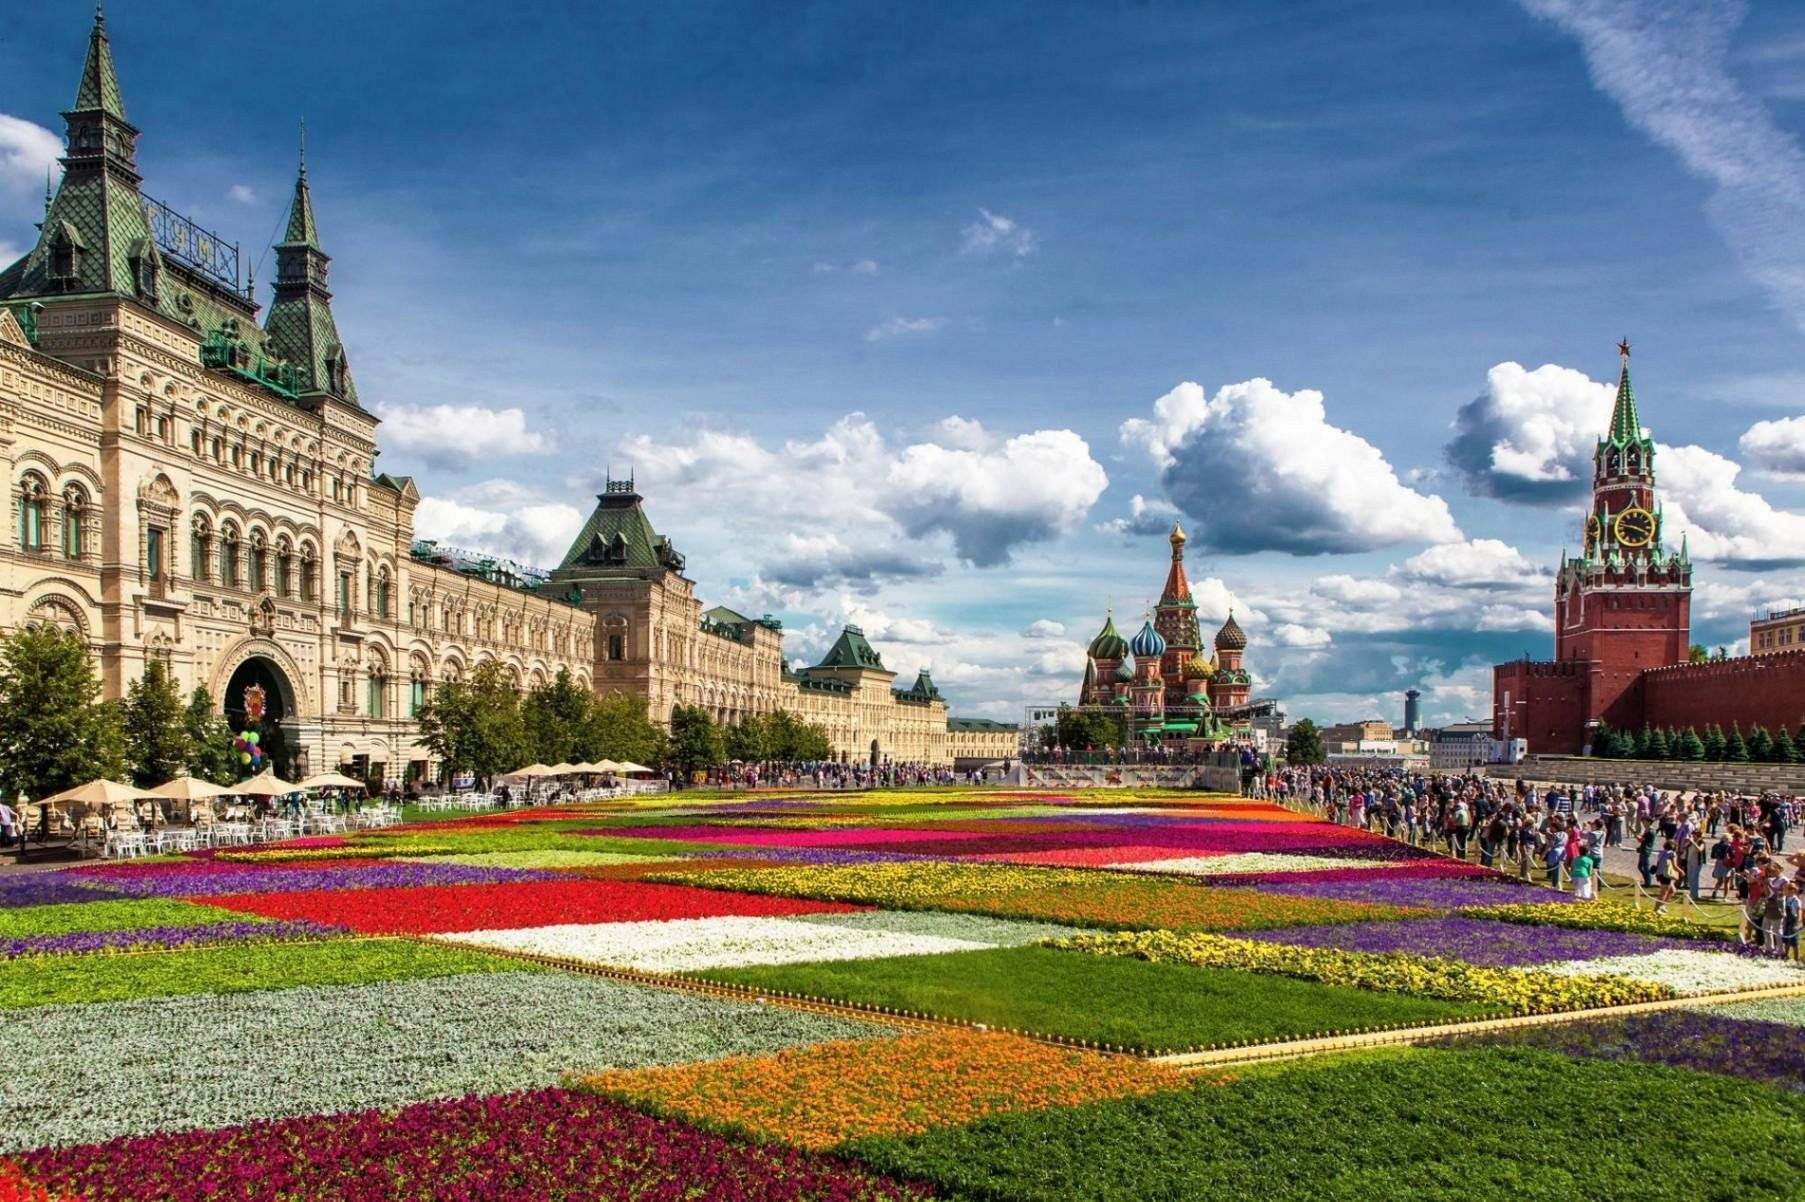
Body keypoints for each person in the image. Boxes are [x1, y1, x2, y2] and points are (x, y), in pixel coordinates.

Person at [1652, 838, 1679, 914]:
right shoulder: (1672, 854)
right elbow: (1674, 865)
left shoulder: (1661, 853)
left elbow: (1658, 863)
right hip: (1666, 875)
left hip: (1660, 874)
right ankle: (1656, 909)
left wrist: (1657, 874)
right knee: (1663, 893)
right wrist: (1681, 871)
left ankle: (1663, 905)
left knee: (1672, 891)